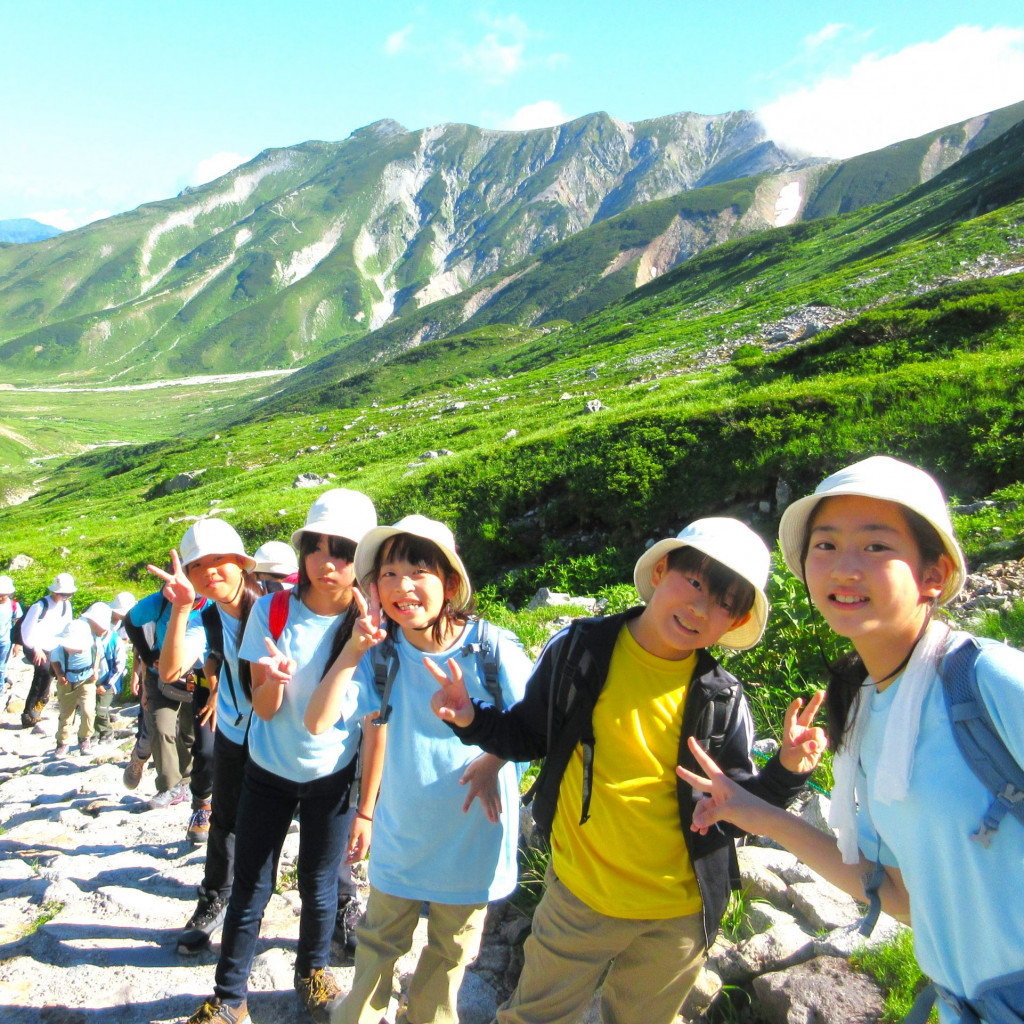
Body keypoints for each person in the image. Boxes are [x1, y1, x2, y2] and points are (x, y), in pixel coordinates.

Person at [431, 518, 825, 1024]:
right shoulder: (581, 650)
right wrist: (470, 718)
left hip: (679, 916)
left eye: (724, 604)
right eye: (696, 583)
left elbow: (738, 811)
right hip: (580, 895)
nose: (701, 609)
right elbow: (531, 735)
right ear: (662, 570)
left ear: (734, 622)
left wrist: (788, 770)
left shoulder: (722, 699)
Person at [677, 457, 1024, 1024]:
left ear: (933, 575)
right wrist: (757, 814)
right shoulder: (866, 707)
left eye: (877, 547)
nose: (844, 569)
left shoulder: (988, 682)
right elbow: (901, 897)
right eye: (827, 546)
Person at [306, 514, 533, 1024]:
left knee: (449, 957)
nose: (402, 587)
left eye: (419, 573)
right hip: (402, 835)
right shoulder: (380, 656)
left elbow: (537, 727)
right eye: (388, 574)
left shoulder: (493, 651)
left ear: (450, 584)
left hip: (474, 838)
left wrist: (491, 758)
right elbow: (318, 721)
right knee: (377, 948)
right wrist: (352, 650)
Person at [187, 489, 386, 1024]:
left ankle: (311, 972)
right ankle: (230, 997)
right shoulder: (274, 611)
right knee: (252, 882)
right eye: (316, 546)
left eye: (342, 549)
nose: (326, 561)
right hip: (268, 772)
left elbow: (375, 729)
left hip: (332, 779)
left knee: (320, 885)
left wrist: (366, 809)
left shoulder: (375, 631)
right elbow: (266, 709)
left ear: (362, 559)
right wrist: (271, 680)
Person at [147, 519, 263, 954]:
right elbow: (172, 671)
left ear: (241, 563)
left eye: (219, 561)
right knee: (226, 821)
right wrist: (181, 608)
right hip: (237, 732)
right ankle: (215, 898)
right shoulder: (207, 618)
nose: (210, 571)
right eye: (199, 566)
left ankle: (340, 900)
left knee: (314, 822)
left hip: (284, 736)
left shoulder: (277, 605)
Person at [124, 582, 207, 810]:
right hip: (158, 674)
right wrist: (148, 655)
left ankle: (187, 781)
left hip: (196, 676)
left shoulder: (211, 605)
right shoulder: (158, 602)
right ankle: (169, 785)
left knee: (189, 734)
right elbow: (130, 622)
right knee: (162, 728)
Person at [19, 572, 76, 728]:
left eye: (68, 595)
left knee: (51, 673)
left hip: (54, 646)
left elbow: (66, 627)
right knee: (43, 671)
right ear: (55, 591)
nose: (66, 597)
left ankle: (38, 706)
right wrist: (36, 648)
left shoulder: (66, 606)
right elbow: (27, 630)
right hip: (35, 645)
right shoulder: (40, 606)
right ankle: (30, 712)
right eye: (63, 594)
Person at [50, 618, 101, 757]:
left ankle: (85, 739)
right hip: (67, 683)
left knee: (88, 712)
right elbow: (54, 660)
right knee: (66, 715)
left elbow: (98, 655)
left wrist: (95, 670)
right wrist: (60, 674)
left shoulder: (94, 645)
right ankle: (62, 742)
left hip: (87, 681)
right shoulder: (59, 650)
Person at [82, 602, 127, 745]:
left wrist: (107, 685)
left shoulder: (115, 640)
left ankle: (107, 732)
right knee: (90, 710)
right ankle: (94, 734)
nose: (90, 624)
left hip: (108, 682)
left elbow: (119, 666)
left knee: (101, 710)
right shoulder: (88, 637)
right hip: (91, 681)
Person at [0, 575, 22, 704]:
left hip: (5, 641)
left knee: (1, 666)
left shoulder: (13, 605)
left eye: (4, 594)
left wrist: (17, 644)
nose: (1, 596)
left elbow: (18, 623)